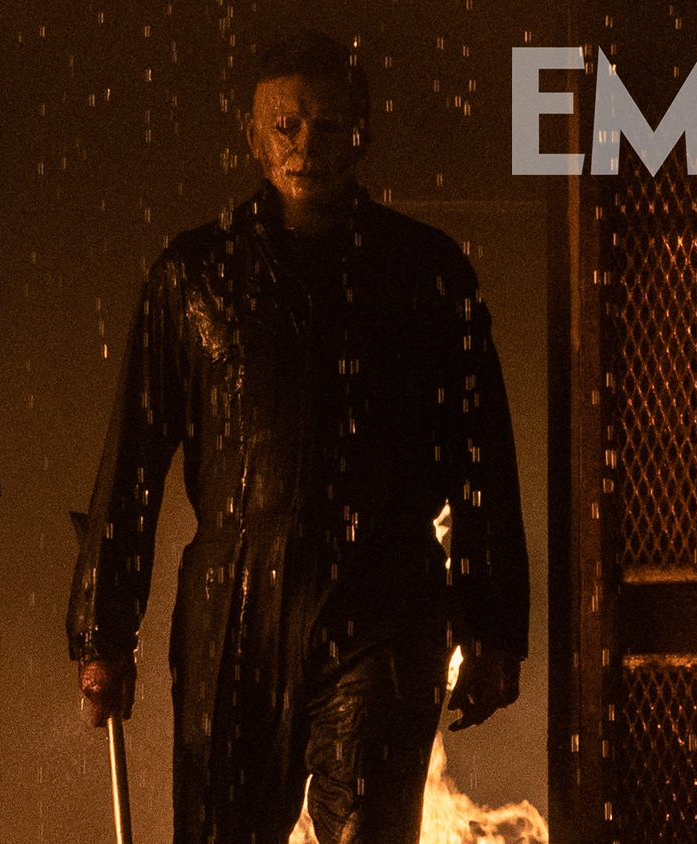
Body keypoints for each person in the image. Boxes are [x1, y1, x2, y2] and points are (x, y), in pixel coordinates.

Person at [67, 30, 529, 844]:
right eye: (286, 126)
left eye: (328, 125)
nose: (306, 145)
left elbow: (479, 454)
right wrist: (103, 633)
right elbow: (133, 458)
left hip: (382, 597)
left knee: (367, 830)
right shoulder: (195, 276)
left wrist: (491, 627)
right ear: (254, 138)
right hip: (234, 606)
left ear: (362, 135)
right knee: (223, 830)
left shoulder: (424, 275)